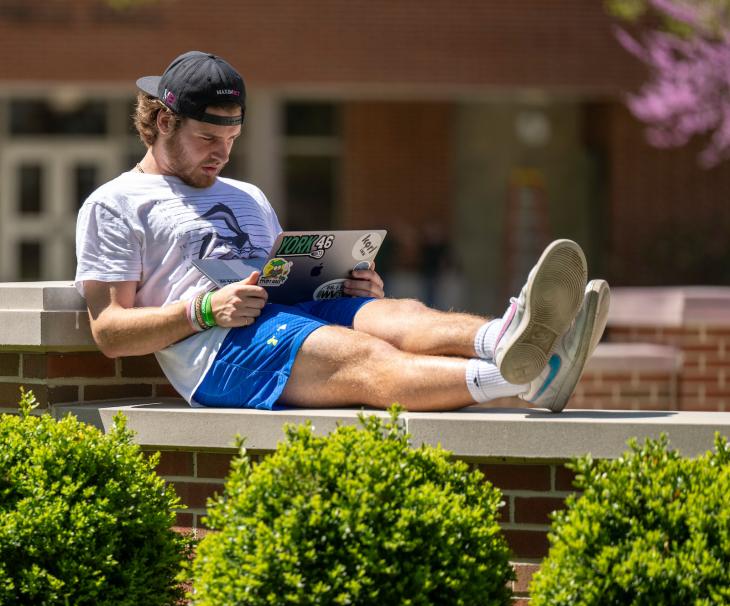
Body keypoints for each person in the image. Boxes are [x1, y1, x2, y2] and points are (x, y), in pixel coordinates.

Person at [75, 50, 610, 414]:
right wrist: (202, 310)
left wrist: (339, 284)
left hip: (287, 311)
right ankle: (527, 377)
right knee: (367, 359)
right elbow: (109, 331)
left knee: (400, 313)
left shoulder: (247, 196)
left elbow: (282, 275)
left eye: (233, 137)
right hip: (219, 351)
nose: (223, 152)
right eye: (208, 137)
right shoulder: (115, 204)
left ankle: (508, 338)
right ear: (163, 122)